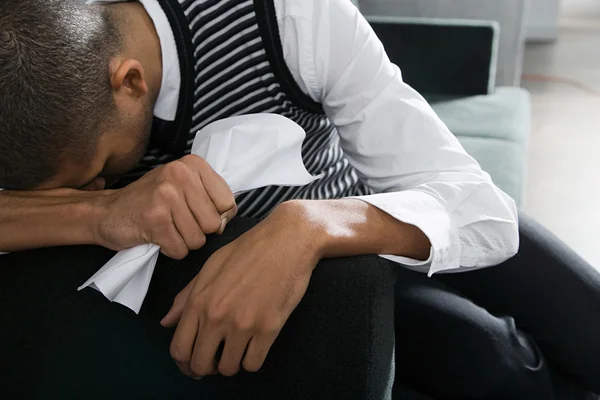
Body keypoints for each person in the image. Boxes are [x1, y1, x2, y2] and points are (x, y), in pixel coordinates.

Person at [0, 0, 597, 399]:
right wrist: (98, 211)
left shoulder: (293, 19)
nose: (100, 184)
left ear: (131, 82)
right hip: (345, 284)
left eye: (100, 169)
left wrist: (308, 224)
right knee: (497, 362)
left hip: (372, 211)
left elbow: (479, 211)